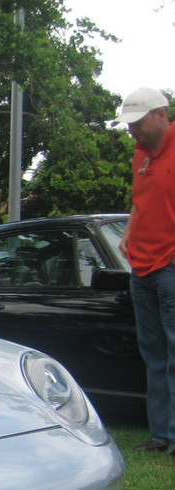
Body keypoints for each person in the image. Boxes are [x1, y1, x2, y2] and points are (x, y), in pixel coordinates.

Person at [115, 88, 175, 456]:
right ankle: (162, 436)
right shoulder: (141, 155)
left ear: (161, 114)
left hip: (171, 265)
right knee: (153, 354)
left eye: (137, 122)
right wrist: (130, 230)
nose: (131, 130)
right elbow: (142, 201)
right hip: (142, 267)